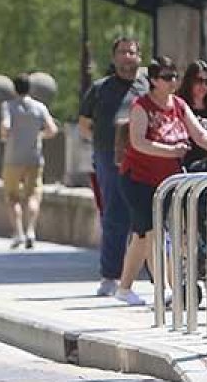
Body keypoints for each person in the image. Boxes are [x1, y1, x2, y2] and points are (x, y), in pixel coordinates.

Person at [114, 55, 207, 306]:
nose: (172, 81)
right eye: (166, 77)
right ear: (153, 80)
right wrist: (171, 151)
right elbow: (139, 142)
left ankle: (151, 288)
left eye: (174, 76)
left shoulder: (179, 105)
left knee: (163, 235)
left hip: (169, 181)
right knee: (149, 234)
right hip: (138, 179)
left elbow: (198, 133)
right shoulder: (142, 106)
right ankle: (145, 288)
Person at [79, 37, 148, 297]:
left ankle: (153, 276)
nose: (127, 56)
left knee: (147, 217)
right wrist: (105, 142)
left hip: (143, 156)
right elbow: (84, 124)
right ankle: (110, 275)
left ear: (139, 57)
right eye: (122, 52)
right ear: (114, 57)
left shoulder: (147, 86)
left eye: (132, 52)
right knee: (115, 215)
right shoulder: (99, 89)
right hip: (110, 158)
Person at [0, 73, 59, 249]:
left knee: (12, 197)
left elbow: (6, 125)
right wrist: (40, 135)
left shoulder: (8, 106)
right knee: (33, 194)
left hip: (13, 157)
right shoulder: (39, 107)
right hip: (34, 156)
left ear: (14, 88)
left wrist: (5, 136)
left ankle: (18, 233)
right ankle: (31, 230)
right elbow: (53, 129)